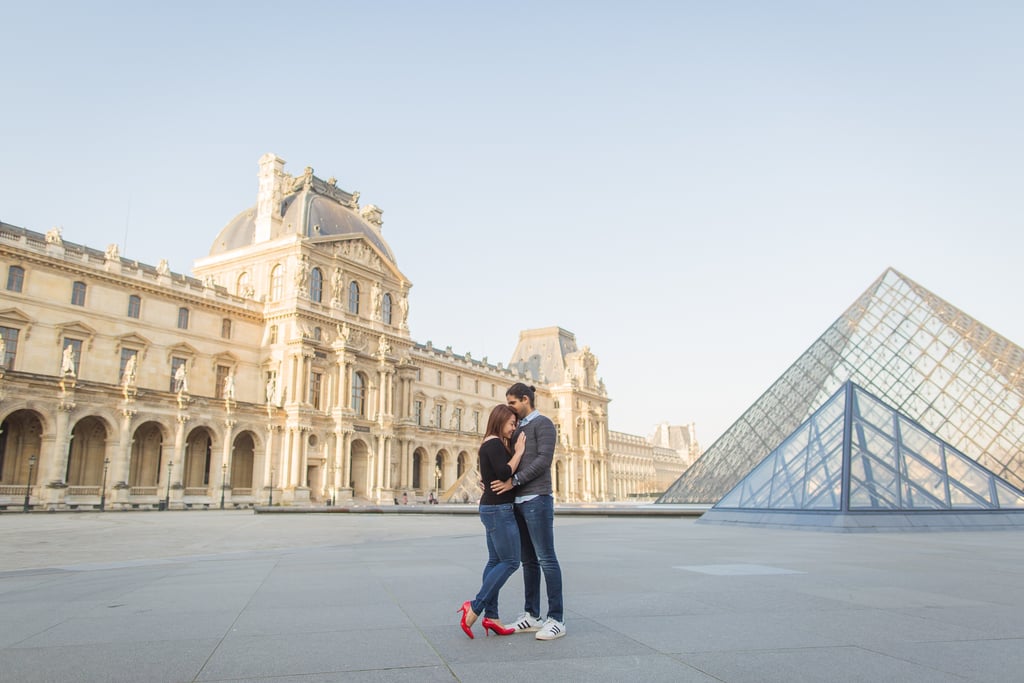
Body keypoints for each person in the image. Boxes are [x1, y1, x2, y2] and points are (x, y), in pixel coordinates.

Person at [490, 382, 565, 640]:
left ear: (525, 399)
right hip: (518, 502)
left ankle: (556, 619)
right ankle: (532, 614)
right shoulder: (518, 427)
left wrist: (515, 481)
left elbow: (543, 461)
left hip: (537, 499)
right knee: (529, 562)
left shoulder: (543, 424)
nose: (509, 408)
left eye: (512, 403)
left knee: (547, 559)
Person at [458, 404, 526, 639]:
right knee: (510, 562)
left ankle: (492, 616)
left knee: (495, 560)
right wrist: (518, 452)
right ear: (500, 421)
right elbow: (504, 472)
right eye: (511, 424)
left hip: (491, 507)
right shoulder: (495, 443)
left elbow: (491, 475)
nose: (513, 428)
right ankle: (475, 607)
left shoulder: (488, 443)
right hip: (498, 509)